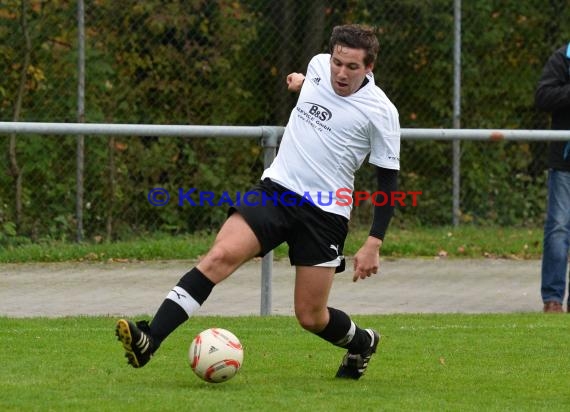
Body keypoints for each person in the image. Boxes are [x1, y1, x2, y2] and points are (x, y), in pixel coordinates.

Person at [116, 24, 401, 379]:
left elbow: (388, 180)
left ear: (369, 68)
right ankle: (150, 340)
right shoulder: (317, 67)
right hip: (276, 191)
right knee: (218, 257)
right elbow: (316, 90)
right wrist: (303, 85)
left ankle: (361, 343)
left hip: (325, 213)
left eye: (352, 67)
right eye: (337, 63)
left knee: (311, 316)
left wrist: (374, 241)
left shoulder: (381, 112)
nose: (341, 73)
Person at [535, 42, 570, 313]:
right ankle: (553, 299)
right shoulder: (562, 58)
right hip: (565, 161)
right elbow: (543, 97)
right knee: (558, 227)